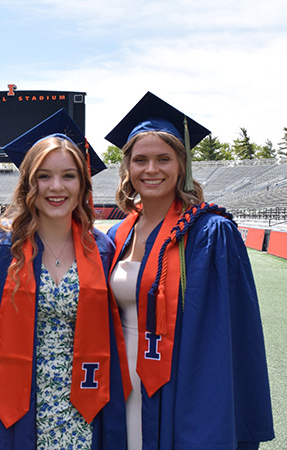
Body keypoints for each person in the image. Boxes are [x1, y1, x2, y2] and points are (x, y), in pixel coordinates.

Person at [104, 91, 275, 449]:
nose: (151, 170)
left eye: (163, 159)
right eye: (141, 160)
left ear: (182, 165)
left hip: (179, 381)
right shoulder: (120, 233)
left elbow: (222, 336)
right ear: (127, 168)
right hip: (120, 383)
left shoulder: (209, 233)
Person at [0, 109, 127, 450]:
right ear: (29, 182)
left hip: (83, 409)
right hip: (17, 406)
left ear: (82, 183)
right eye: (44, 176)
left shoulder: (102, 250)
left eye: (68, 176)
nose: (56, 187)